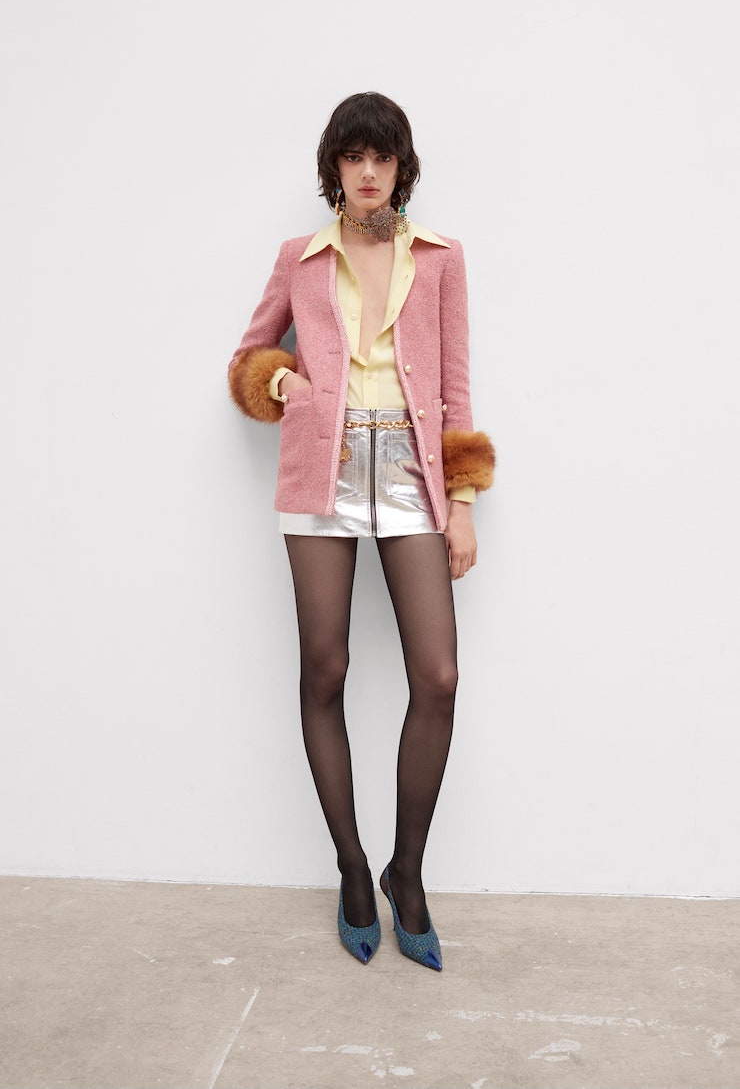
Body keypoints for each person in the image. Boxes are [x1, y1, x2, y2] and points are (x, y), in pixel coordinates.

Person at [228, 92, 494, 971]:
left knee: (438, 675)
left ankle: (404, 872)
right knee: (326, 667)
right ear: (334, 168)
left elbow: (455, 387)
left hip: (411, 473)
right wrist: (286, 386)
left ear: (401, 167)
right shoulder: (300, 259)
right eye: (354, 157)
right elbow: (247, 358)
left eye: (383, 157)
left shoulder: (441, 259)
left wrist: (461, 502)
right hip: (323, 474)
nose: (369, 171)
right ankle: (350, 866)